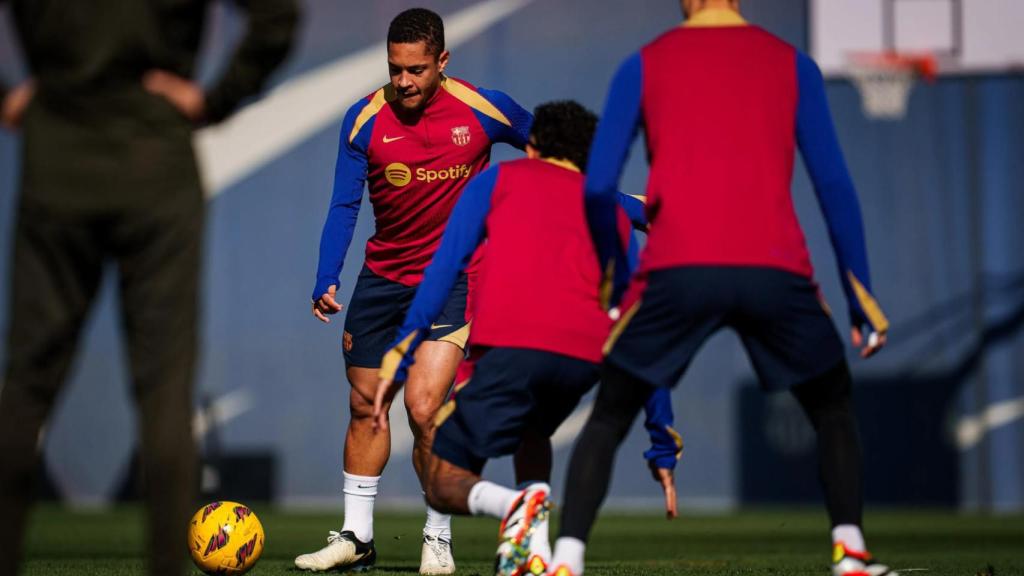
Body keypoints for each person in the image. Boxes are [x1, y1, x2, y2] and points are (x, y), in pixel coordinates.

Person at [550, 1, 895, 576]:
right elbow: (832, 182)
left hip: (677, 269)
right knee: (831, 405)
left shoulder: (644, 64)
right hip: (774, 269)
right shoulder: (792, 64)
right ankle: (851, 551)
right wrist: (860, 295)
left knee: (610, 415)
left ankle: (566, 558)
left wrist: (614, 277)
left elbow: (597, 188)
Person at [0, 1, 299, 575]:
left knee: (26, 384)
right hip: (153, 160)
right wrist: (217, 99)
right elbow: (277, 16)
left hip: (57, 155)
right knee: (164, 387)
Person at [372, 101, 682, 576]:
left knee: (441, 480)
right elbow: (642, 325)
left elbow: (444, 269)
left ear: (532, 145)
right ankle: (532, 552)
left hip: (512, 349)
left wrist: (403, 349)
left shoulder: (499, 180)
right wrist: (662, 439)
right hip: (583, 361)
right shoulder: (612, 213)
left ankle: (513, 507)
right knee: (533, 431)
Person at [300, 8, 533, 574]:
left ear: (442, 63)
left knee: (425, 408)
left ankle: (437, 537)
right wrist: (327, 274)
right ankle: (357, 538)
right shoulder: (364, 120)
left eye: (417, 69)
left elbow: (559, 153)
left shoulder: (486, 109)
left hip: (453, 279)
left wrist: (624, 210)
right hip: (382, 281)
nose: (403, 81)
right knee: (364, 406)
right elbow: (345, 203)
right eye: (395, 68)